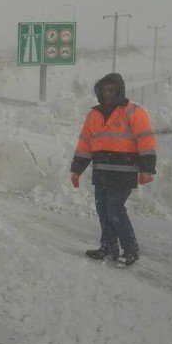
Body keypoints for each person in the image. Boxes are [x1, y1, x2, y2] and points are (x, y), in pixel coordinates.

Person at [70, 73, 156, 266]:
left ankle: (131, 250)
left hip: (124, 172)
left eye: (112, 90)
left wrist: (147, 169)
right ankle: (108, 247)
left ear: (120, 91)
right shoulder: (93, 115)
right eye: (104, 90)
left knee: (114, 210)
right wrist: (76, 170)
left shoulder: (134, 112)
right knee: (102, 210)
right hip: (101, 172)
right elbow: (85, 144)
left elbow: (146, 142)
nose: (107, 93)